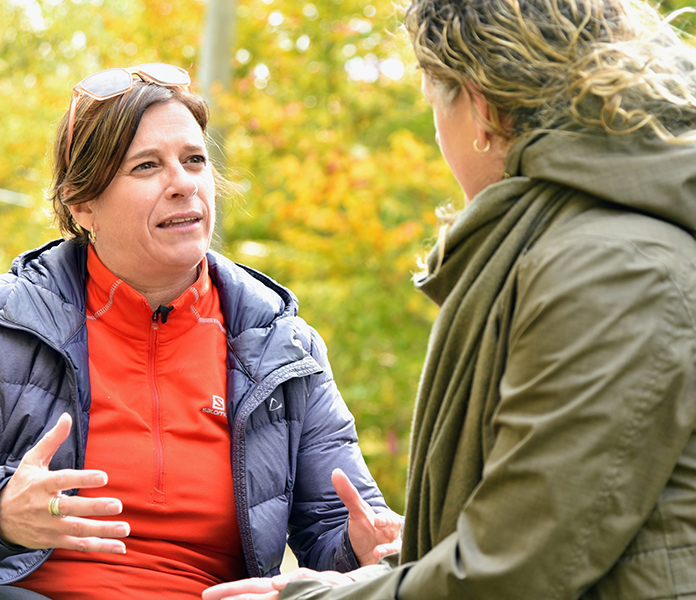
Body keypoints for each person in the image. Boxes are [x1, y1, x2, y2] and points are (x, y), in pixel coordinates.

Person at [203, 0, 696, 598]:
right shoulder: (576, 250)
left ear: (479, 107)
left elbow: (519, 567)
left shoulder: (612, 270)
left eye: (432, 101)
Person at [0, 63, 402, 600]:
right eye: (146, 166)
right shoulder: (11, 324)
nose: (182, 184)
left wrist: (363, 546)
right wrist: (4, 515)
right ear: (82, 204)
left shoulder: (284, 349)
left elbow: (334, 523)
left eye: (194, 161)